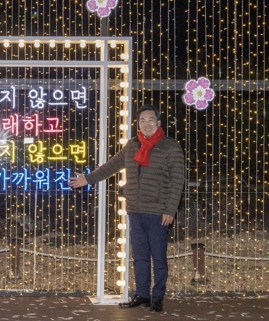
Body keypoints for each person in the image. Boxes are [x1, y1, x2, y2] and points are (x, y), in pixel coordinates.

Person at [70, 105, 185, 313]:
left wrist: (170, 210)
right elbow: (111, 166)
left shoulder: (170, 147)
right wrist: (87, 179)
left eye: (151, 120)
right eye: (142, 120)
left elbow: (177, 181)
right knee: (140, 256)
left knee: (158, 256)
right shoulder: (132, 146)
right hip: (135, 209)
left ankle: (158, 296)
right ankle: (142, 294)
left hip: (158, 211)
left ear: (158, 122)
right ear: (138, 124)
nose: (147, 124)